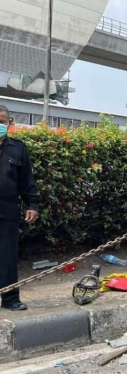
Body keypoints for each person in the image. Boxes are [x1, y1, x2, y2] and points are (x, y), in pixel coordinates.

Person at [0, 105, 39, 311]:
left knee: (7, 257)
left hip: (7, 212)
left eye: (3, 121)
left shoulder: (18, 148)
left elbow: (27, 181)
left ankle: (10, 299)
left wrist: (32, 205)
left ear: (9, 123)